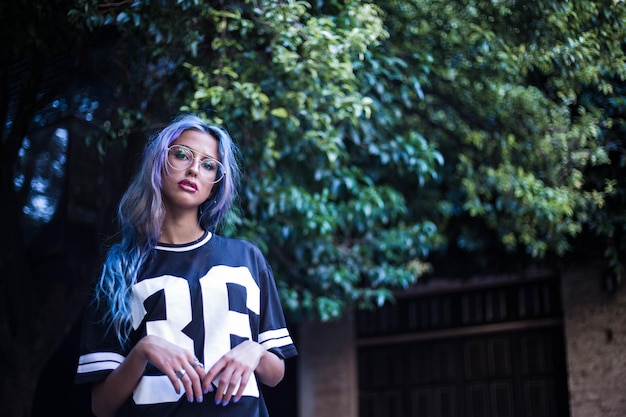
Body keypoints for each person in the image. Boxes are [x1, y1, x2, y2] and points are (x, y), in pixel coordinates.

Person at [75, 114, 298, 417]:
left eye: (208, 165)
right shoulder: (119, 267)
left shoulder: (246, 258)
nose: (194, 169)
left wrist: (255, 350)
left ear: (214, 186)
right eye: (182, 154)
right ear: (158, 162)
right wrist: (143, 351)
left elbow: (275, 374)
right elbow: (101, 406)